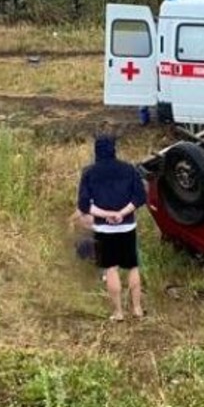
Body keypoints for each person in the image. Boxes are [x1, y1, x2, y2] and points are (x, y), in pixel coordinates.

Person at [76, 133, 148, 321]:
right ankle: (138, 309)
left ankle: (118, 312)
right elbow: (140, 197)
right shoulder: (128, 169)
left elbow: (84, 205)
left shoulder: (89, 172)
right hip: (127, 226)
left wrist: (107, 215)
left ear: (96, 151)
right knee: (132, 267)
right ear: (114, 150)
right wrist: (122, 213)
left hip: (104, 229)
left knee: (111, 268)